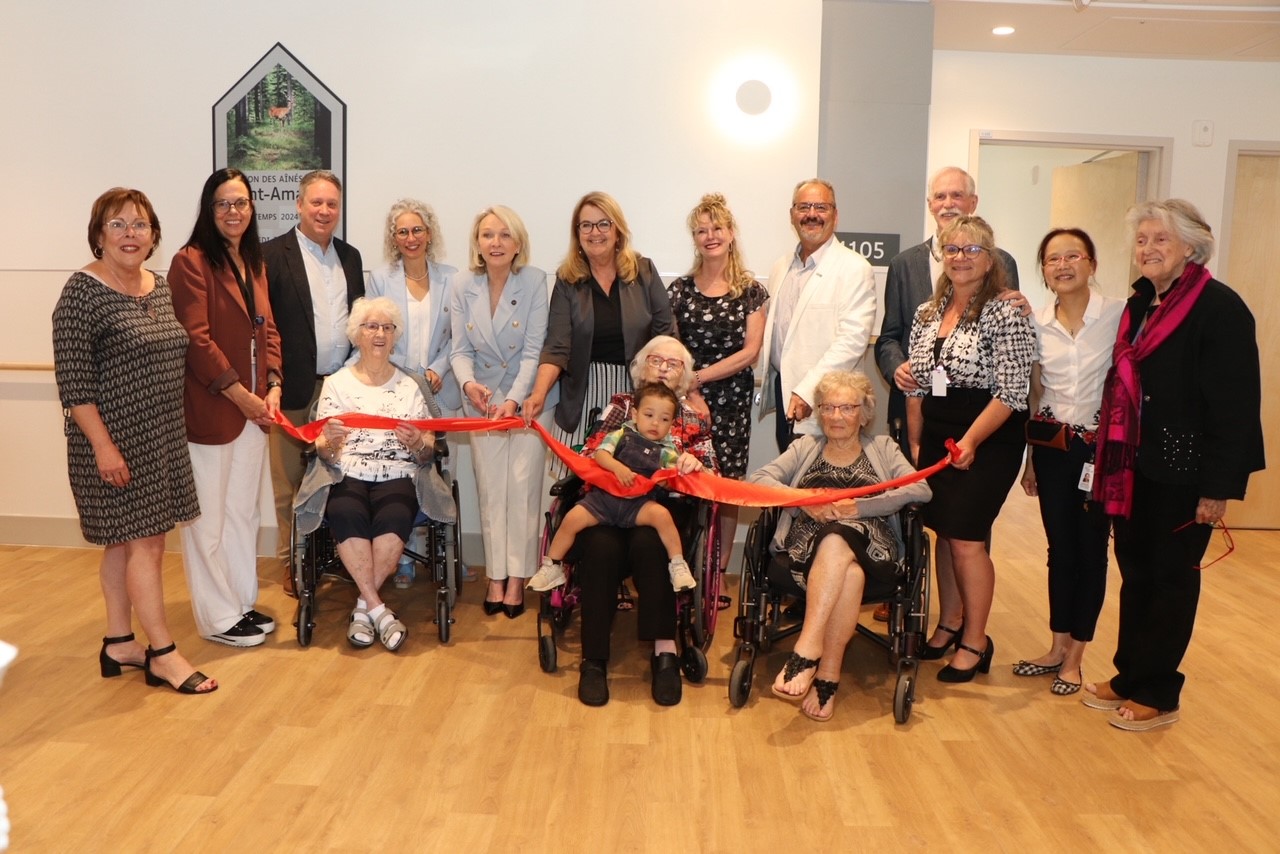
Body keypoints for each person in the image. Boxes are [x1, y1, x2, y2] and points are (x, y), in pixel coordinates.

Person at [1083, 200, 1263, 731]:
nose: (1149, 249)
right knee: (1136, 574)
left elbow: (1234, 405)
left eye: (1161, 239)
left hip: (1185, 474)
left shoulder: (1219, 307)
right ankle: (1130, 674)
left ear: (1191, 246)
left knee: (1171, 580)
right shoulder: (1140, 305)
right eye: (1141, 240)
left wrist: (1218, 488)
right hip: (1135, 467)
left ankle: (1160, 691)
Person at [53, 187, 213, 694]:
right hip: (111, 443)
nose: (129, 234)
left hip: (159, 438)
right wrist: (104, 446)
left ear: (153, 235)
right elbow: (74, 386)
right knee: (146, 543)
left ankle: (120, 642)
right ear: (99, 233)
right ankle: (163, 654)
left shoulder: (158, 286)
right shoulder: (81, 293)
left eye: (139, 225)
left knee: (125, 545)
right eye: (117, 224)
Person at [542, 335, 717, 708]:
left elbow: (710, 470)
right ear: (641, 368)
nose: (665, 368)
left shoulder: (695, 415)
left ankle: (664, 651)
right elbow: (592, 450)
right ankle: (594, 658)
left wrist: (693, 463)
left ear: (686, 374)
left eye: (675, 363)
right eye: (657, 360)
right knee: (602, 547)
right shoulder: (622, 405)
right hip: (609, 500)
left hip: (659, 508)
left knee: (650, 544)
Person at [750, 371, 931, 721]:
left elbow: (921, 489)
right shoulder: (805, 447)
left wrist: (860, 508)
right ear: (818, 412)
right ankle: (827, 676)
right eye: (828, 407)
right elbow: (759, 480)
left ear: (864, 413)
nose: (836, 416)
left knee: (838, 536)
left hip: (874, 547)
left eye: (847, 407)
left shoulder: (884, 449)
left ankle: (806, 649)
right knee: (846, 570)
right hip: (806, 550)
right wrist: (804, 501)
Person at [905, 215, 1036, 682]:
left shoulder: (1006, 311)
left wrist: (971, 441)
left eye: (972, 249)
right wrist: (917, 440)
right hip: (939, 433)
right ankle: (948, 623)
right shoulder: (927, 312)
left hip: (988, 436)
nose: (961, 257)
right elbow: (920, 381)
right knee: (942, 530)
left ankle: (976, 641)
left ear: (989, 258)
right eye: (953, 249)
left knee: (966, 537)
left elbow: (1013, 390)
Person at [169, 168, 282, 648]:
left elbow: (269, 330)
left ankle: (239, 601)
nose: (233, 212)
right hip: (215, 411)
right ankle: (217, 618)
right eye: (223, 204)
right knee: (207, 521)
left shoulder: (252, 260)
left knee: (243, 514)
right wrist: (241, 395)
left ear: (252, 208)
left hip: (256, 411)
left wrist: (273, 386)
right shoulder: (189, 262)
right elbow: (196, 340)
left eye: (240, 203)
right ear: (208, 209)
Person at [1015, 228, 1123, 695]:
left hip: (1101, 452)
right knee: (1059, 548)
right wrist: (1030, 461)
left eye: (1073, 255)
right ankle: (1056, 646)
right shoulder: (1037, 322)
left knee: (1091, 551)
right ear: (1043, 270)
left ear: (1092, 263)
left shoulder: (1119, 314)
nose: (1063, 265)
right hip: (1054, 449)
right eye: (1052, 259)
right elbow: (1036, 392)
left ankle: (1077, 656)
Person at [308, 297, 437, 651]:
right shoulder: (337, 384)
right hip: (348, 471)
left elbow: (429, 449)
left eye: (386, 327)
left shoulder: (410, 386)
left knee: (395, 515)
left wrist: (415, 444)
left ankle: (364, 610)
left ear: (395, 336)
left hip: (398, 472)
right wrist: (329, 443)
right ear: (357, 335)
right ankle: (379, 610)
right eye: (371, 326)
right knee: (345, 512)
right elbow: (322, 449)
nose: (379, 334)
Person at [264, 170, 365, 588]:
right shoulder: (269, 255)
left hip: (340, 389)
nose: (324, 211)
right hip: (290, 389)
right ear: (299, 205)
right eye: (316, 203)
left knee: (338, 475)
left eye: (332, 205)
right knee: (289, 480)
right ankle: (292, 562)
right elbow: (263, 326)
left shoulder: (351, 256)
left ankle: (334, 556)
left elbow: (359, 319)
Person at [449, 205, 548, 618]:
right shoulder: (461, 284)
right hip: (483, 404)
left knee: (522, 493)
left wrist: (513, 398)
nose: (496, 243)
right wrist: (470, 385)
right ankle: (495, 575)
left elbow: (532, 350)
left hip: (525, 406)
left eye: (505, 235)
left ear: (518, 243)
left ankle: (519, 578)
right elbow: (459, 349)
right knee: (490, 493)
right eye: (488, 235)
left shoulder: (537, 281)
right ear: (477, 243)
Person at [877, 167, 1021, 450]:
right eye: (940, 196)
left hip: (978, 413)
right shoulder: (903, 264)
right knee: (916, 489)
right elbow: (888, 337)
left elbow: (1009, 334)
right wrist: (897, 368)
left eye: (957, 195)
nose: (948, 203)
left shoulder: (1002, 261)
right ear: (930, 205)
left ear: (973, 202)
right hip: (916, 405)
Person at [523, 191, 674, 452]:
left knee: (631, 482)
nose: (595, 232)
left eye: (604, 223)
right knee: (578, 487)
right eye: (586, 225)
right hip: (583, 396)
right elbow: (557, 345)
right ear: (578, 234)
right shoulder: (567, 279)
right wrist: (538, 394)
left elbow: (666, 336)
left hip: (638, 396)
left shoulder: (644, 270)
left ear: (618, 230)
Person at [668, 192, 768, 569]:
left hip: (731, 401)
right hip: (684, 399)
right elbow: (673, 347)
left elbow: (750, 352)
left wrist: (699, 378)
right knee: (685, 479)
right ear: (694, 238)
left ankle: (719, 568)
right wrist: (690, 388)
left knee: (726, 484)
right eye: (701, 230)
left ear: (730, 233)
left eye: (717, 228)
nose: (710, 236)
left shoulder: (751, 290)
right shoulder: (679, 290)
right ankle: (684, 565)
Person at [366, 198, 459, 590]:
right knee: (400, 465)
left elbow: (460, 334)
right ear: (393, 238)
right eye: (402, 231)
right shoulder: (380, 280)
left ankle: (437, 552)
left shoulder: (453, 278)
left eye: (417, 229)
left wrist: (437, 369)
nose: (410, 238)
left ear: (429, 233)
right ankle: (401, 556)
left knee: (431, 463)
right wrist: (403, 376)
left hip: (439, 387)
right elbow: (376, 333)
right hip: (397, 387)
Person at [530, 382, 699, 594]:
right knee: (571, 518)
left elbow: (671, 474)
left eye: (664, 419)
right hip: (603, 501)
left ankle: (677, 564)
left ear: (671, 424)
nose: (656, 423)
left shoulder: (668, 450)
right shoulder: (620, 433)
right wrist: (617, 467)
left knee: (663, 515)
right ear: (635, 414)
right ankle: (552, 566)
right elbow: (600, 454)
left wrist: (665, 481)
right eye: (649, 415)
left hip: (638, 505)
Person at [758, 179, 876, 453]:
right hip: (786, 399)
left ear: (835, 215)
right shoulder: (780, 267)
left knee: (826, 490)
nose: (811, 214)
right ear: (792, 215)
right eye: (803, 207)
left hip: (830, 406)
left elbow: (852, 341)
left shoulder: (855, 268)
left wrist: (808, 389)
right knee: (793, 487)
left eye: (821, 207)